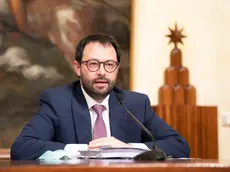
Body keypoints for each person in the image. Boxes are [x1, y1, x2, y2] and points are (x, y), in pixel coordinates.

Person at [10, 33, 190, 160]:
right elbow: (23, 148)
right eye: (93, 64)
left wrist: (128, 149)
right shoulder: (58, 101)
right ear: (78, 68)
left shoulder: (135, 103)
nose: (102, 72)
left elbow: (179, 145)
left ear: (117, 68)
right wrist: (86, 151)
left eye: (109, 64)